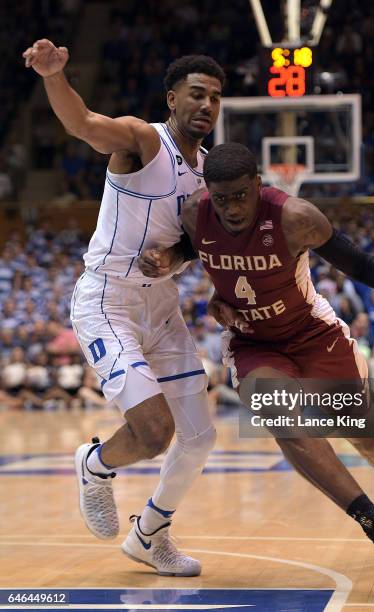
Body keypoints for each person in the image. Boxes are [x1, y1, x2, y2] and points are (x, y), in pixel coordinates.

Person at [140, 142, 374, 567]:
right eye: (222, 199)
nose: (232, 207)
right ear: (209, 194)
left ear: (258, 185)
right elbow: (194, 244)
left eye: (241, 195)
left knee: (360, 430)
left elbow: (358, 262)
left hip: (313, 333)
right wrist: (172, 258)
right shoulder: (194, 214)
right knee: (282, 419)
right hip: (253, 342)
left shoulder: (296, 218)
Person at [23, 38, 225, 576]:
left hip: (162, 308)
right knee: (155, 433)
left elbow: (196, 242)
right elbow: (83, 123)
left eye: (215, 99)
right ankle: (95, 464)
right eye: (197, 94)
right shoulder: (142, 140)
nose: (206, 106)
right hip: (107, 301)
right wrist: (53, 77)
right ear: (171, 100)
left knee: (201, 438)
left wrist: (179, 254)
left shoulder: (208, 173)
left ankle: (150, 534)